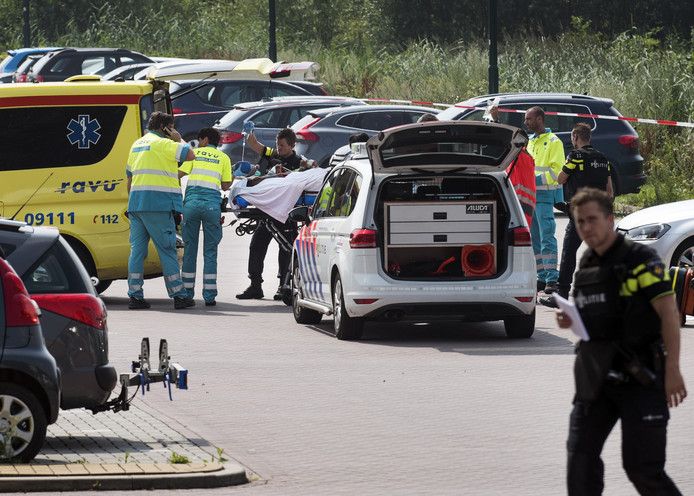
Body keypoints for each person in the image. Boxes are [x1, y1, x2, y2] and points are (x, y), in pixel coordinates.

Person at [556, 188, 687, 495]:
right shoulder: (586, 261)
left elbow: (669, 313)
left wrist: (673, 371)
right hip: (596, 379)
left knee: (643, 470)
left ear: (610, 219)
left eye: (593, 220)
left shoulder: (641, 258)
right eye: (579, 222)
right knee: (580, 464)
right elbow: (594, 317)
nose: (586, 228)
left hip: (641, 378)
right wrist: (571, 320)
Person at [125, 111, 196, 310]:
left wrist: (132, 204)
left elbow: (129, 179)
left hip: (136, 205)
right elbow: (190, 154)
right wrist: (178, 138)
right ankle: (179, 295)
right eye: (171, 127)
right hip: (157, 204)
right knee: (167, 250)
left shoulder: (137, 144)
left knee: (137, 252)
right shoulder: (165, 143)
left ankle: (135, 295)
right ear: (166, 128)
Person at [539, 123, 613, 308]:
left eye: (572, 138)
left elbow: (560, 178)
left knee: (569, 252)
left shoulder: (575, 156)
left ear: (575, 138)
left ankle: (562, 295)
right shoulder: (603, 159)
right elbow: (609, 191)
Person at [236, 128, 306, 300]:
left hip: (285, 213)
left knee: (286, 249)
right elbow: (259, 151)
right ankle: (255, 285)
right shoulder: (272, 155)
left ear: (292, 145)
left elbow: (300, 182)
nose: (279, 148)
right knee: (257, 246)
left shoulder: (299, 163)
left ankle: (285, 285)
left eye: (282, 146)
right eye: (277, 145)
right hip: (267, 211)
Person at [178, 128, 232, 307]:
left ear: (205, 139)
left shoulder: (194, 154)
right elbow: (225, 186)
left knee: (190, 251)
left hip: (191, 205)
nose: (198, 143)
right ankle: (209, 296)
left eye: (199, 140)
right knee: (210, 252)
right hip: (211, 207)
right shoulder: (224, 158)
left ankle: (186, 293)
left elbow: (180, 174)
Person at [524, 106, 565, 294]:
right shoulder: (530, 142)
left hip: (544, 196)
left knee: (547, 238)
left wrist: (533, 180)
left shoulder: (554, 141)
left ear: (540, 119)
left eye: (529, 119)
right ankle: (541, 277)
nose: (526, 122)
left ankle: (551, 279)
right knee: (534, 240)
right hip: (531, 197)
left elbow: (556, 172)